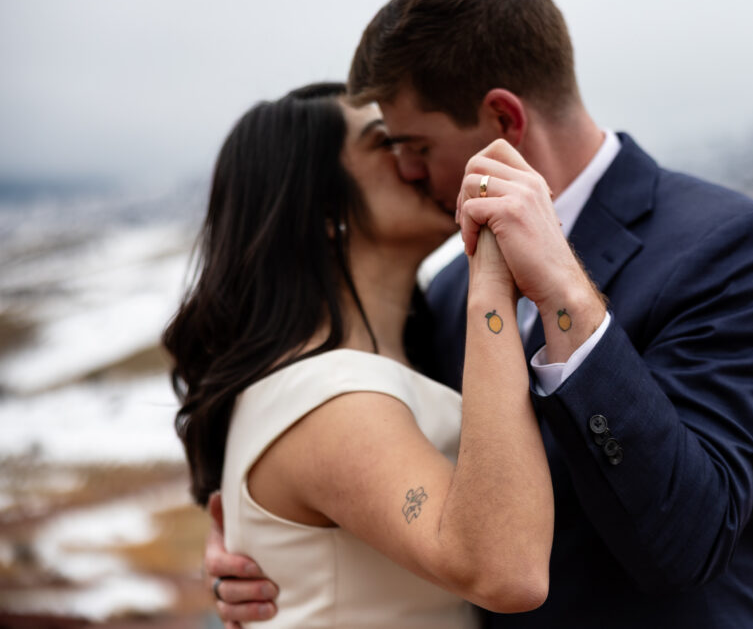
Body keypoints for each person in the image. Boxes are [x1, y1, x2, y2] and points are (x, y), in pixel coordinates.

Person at [208, 0, 753, 627]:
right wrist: (263, 550)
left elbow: (692, 539)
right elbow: (357, 455)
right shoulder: (446, 295)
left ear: (503, 120)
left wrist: (567, 298)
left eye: (415, 144)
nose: (408, 171)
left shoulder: (729, 249)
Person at [163, 82, 554, 628]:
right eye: (385, 142)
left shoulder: (374, 369)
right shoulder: (332, 400)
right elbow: (507, 570)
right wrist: (490, 276)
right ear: (323, 207)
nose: (415, 161)